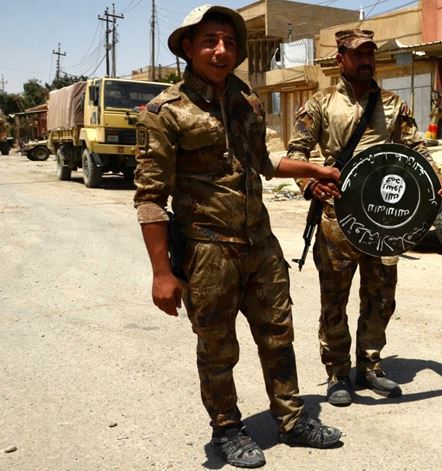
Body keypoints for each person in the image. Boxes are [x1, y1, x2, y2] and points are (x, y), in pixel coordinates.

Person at [134, 5, 344, 468]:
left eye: (228, 42)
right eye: (210, 41)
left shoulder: (246, 99)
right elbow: (150, 198)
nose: (221, 50)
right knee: (217, 345)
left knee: (278, 333)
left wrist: (311, 168)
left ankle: (291, 419)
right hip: (207, 249)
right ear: (188, 47)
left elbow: (263, 163)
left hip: (260, 242)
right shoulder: (163, 112)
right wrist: (162, 272)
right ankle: (227, 428)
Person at [286, 29, 442, 407]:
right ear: (340, 59)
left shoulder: (394, 105)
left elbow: (416, 150)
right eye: (357, 54)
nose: (366, 60)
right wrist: (309, 183)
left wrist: (439, 179)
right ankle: (336, 373)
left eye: (370, 54)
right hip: (338, 219)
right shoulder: (320, 104)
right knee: (334, 299)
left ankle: (370, 365)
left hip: (384, 221)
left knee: (380, 297)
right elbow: (297, 153)